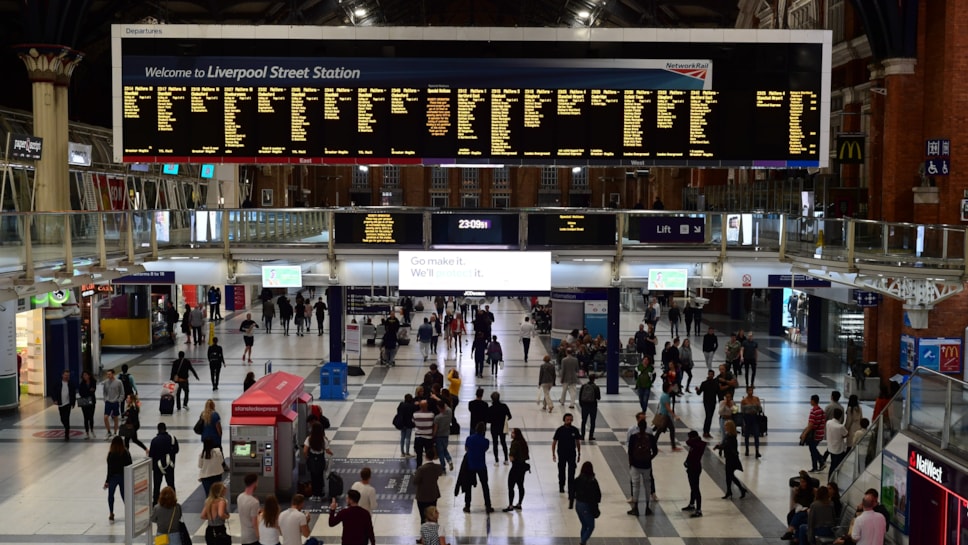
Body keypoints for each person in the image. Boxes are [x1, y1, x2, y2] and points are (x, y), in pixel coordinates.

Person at [627, 419, 657, 516]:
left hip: (635, 464)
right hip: (647, 464)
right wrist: (649, 458)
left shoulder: (633, 437)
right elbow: (655, 451)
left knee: (636, 485)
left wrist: (631, 462)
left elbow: (630, 451)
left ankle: (635, 508)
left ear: (638, 427)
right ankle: (647, 507)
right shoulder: (651, 437)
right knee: (647, 484)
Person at [462, 422, 494, 513]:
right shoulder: (486, 441)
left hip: (470, 465)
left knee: (468, 486)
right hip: (481, 465)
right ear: (484, 431)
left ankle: (467, 505)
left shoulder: (469, 438)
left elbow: (466, 449)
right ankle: (488, 505)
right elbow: (485, 449)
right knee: (485, 485)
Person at [552, 412, 582, 508]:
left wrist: (579, 453)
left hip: (571, 454)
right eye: (567, 420)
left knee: (571, 471)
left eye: (570, 419)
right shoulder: (560, 430)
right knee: (561, 470)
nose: (569, 421)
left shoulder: (575, 430)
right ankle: (561, 485)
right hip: (562, 454)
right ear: (564, 420)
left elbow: (577, 442)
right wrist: (553, 454)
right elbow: (554, 442)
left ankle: (571, 489)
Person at [715, 419, 747, 499]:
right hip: (729, 457)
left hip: (732, 459)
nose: (724, 427)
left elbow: (727, 446)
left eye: (726, 426)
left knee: (729, 475)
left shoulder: (731, 437)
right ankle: (731, 491)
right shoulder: (728, 435)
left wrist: (719, 447)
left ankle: (738, 489)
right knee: (729, 476)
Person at [104, 435, 132, 523]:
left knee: (111, 496)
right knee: (124, 496)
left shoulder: (111, 454)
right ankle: (129, 513)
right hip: (123, 477)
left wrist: (107, 481)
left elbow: (109, 469)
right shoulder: (126, 453)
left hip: (113, 478)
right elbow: (130, 465)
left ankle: (111, 513)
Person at [149, 423, 179, 505]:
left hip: (157, 467)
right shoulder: (172, 438)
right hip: (170, 465)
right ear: (166, 429)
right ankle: (173, 500)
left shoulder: (154, 440)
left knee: (157, 486)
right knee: (171, 484)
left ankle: (155, 502)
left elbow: (151, 455)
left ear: (158, 429)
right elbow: (176, 450)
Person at [573, 461, 602, 545]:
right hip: (586, 506)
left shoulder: (578, 479)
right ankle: (582, 542)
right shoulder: (592, 481)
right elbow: (597, 494)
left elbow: (572, 490)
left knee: (584, 525)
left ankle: (584, 541)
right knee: (591, 526)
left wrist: (572, 501)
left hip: (578, 505)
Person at [413, 445, 444, 523]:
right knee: (432, 516)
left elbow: (415, 481)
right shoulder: (438, 467)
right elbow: (440, 473)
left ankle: (425, 533)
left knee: (423, 518)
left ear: (425, 456)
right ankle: (433, 533)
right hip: (433, 495)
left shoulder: (421, 469)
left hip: (422, 496)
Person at [502, 427, 530, 512]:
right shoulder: (523, 442)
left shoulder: (515, 443)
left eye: (513, 433)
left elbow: (511, 458)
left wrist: (511, 457)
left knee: (511, 486)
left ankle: (510, 505)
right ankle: (519, 504)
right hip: (522, 467)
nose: (511, 434)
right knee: (520, 485)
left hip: (516, 467)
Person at [304, 421, 332, 501]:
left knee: (313, 477)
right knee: (320, 476)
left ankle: (314, 494)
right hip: (320, 459)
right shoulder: (323, 439)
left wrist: (307, 457)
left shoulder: (309, 438)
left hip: (312, 459)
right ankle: (319, 494)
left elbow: (305, 450)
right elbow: (327, 450)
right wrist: (331, 453)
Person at [682, 430, 707, 517]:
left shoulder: (697, 444)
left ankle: (699, 510)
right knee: (693, 487)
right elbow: (690, 453)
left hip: (694, 468)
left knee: (695, 488)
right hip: (692, 467)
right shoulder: (696, 444)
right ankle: (692, 504)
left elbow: (688, 442)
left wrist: (693, 439)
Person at [802, 394, 827, 472]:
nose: (810, 401)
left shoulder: (813, 411)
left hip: (814, 435)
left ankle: (820, 462)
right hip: (820, 433)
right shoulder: (821, 411)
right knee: (813, 449)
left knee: (813, 450)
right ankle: (817, 465)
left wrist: (804, 433)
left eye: (811, 400)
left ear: (813, 401)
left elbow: (811, 425)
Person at [654, 382, 681, 450]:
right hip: (664, 416)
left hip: (664, 415)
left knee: (665, 430)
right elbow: (668, 408)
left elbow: (675, 389)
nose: (671, 387)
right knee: (660, 431)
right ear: (668, 388)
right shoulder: (666, 396)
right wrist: (675, 416)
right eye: (670, 387)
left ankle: (673, 446)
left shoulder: (665, 394)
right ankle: (653, 445)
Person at [488, 391, 512, 465]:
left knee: (495, 443)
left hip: (494, 427)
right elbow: (510, 416)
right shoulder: (504, 406)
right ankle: (506, 459)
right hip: (502, 427)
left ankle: (496, 460)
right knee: (503, 442)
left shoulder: (491, 408)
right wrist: (504, 420)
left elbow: (488, 419)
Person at [51, 368, 76, 441]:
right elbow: (53, 391)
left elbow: (73, 394)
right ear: (62, 375)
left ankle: (67, 434)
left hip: (68, 404)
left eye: (68, 375)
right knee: (62, 418)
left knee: (67, 418)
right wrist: (55, 399)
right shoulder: (58, 383)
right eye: (65, 375)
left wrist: (73, 403)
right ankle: (66, 427)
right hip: (61, 403)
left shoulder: (71, 384)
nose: (67, 377)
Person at [237, 474, 261, 545]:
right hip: (252, 538)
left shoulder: (240, 497)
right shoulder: (254, 502)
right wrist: (258, 536)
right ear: (254, 483)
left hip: (243, 537)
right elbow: (254, 523)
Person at [739, 386, 763, 458]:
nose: (750, 392)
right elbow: (742, 412)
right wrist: (743, 422)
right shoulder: (744, 400)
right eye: (749, 390)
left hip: (755, 417)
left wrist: (758, 406)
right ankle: (747, 449)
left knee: (756, 434)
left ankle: (757, 450)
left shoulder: (756, 399)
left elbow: (760, 409)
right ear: (747, 391)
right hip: (747, 418)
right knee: (747, 435)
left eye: (751, 390)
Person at [695, 370, 719, 438]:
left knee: (710, 417)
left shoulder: (715, 383)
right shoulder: (704, 383)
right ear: (708, 374)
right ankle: (705, 431)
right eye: (709, 374)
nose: (710, 375)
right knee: (708, 416)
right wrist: (697, 390)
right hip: (706, 402)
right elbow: (699, 393)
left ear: (713, 375)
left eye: (712, 374)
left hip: (713, 402)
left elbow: (718, 392)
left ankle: (707, 432)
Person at [826, 407, 849, 479]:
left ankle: (830, 479)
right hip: (838, 449)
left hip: (830, 447)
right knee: (836, 466)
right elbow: (846, 434)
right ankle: (833, 479)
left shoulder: (828, 422)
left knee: (833, 464)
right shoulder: (840, 427)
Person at [102, 369, 124, 439]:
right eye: (107, 374)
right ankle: (108, 432)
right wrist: (105, 399)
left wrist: (119, 400)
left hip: (115, 402)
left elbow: (122, 392)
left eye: (109, 374)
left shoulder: (118, 382)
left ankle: (115, 432)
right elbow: (104, 392)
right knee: (105, 417)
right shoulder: (105, 382)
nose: (108, 375)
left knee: (115, 418)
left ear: (113, 374)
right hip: (108, 402)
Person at [578, 374, 601, 441]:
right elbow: (598, 398)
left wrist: (581, 405)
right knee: (592, 421)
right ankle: (591, 436)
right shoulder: (596, 387)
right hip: (593, 406)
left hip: (585, 406)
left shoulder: (583, 386)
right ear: (594, 379)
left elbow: (580, 396)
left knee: (583, 421)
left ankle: (582, 436)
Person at [394, 393, 417, 457]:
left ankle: (402, 452)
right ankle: (407, 452)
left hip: (402, 423)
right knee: (408, 438)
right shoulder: (412, 406)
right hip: (409, 423)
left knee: (402, 438)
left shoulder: (401, 405)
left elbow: (398, 411)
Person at [413, 400, 435, 465]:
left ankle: (419, 468)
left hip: (418, 437)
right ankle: (428, 467)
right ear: (427, 406)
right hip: (428, 437)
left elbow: (414, 423)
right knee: (429, 454)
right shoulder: (431, 414)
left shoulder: (415, 414)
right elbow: (433, 424)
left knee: (419, 454)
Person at [78, 370, 98, 439]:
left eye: (86, 375)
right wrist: (88, 391)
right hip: (84, 401)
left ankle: (92, 430)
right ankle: (87, 432)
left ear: (89, 375)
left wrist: (87, 392)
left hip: (91, 401)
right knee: (86, 417)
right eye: (83, 375)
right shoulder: (81, 384)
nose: (84, 376)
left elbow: (93, 390)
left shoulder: (93, 382)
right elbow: (81, 393)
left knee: (91, 416)